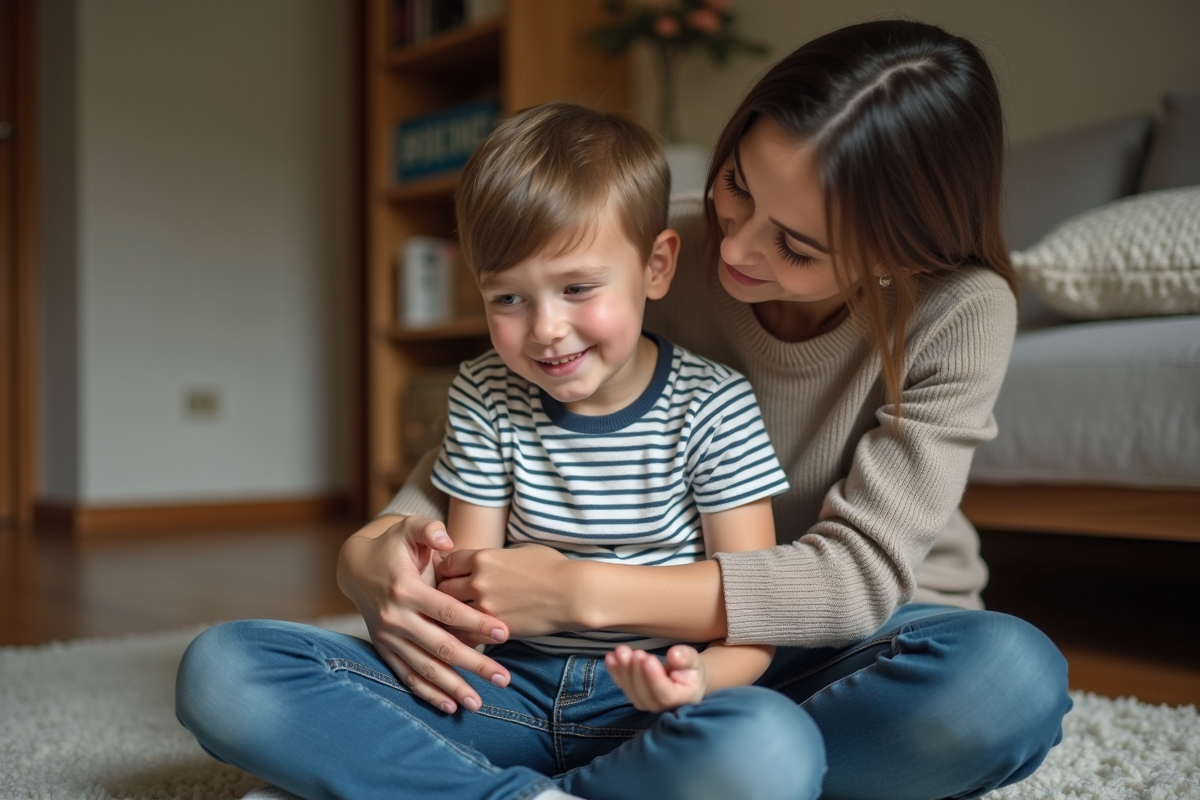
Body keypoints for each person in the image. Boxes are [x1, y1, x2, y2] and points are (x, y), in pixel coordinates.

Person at [177, 19, 1073, 800]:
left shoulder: (960, 309)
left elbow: (854, 580)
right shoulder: (640, 248)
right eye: (737, 185)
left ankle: (431, 779)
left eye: (795, 245)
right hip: (538, 665)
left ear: (896, 258)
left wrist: (580, 591)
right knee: (227, 672)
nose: (741, 247)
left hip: (807, 650)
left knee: (1007, 680)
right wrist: (372, 552)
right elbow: (491, 432)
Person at [432, 101, 792, 714]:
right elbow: (466, 601)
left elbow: (752, 623)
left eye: (576, 288)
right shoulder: (483, 389)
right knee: (233, 667)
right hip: (510, 687)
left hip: (655, 698)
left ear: (656, 266)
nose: (546, 328)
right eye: (509, 297)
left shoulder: (716, 404)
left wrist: (694, 684)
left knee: (768, 741)